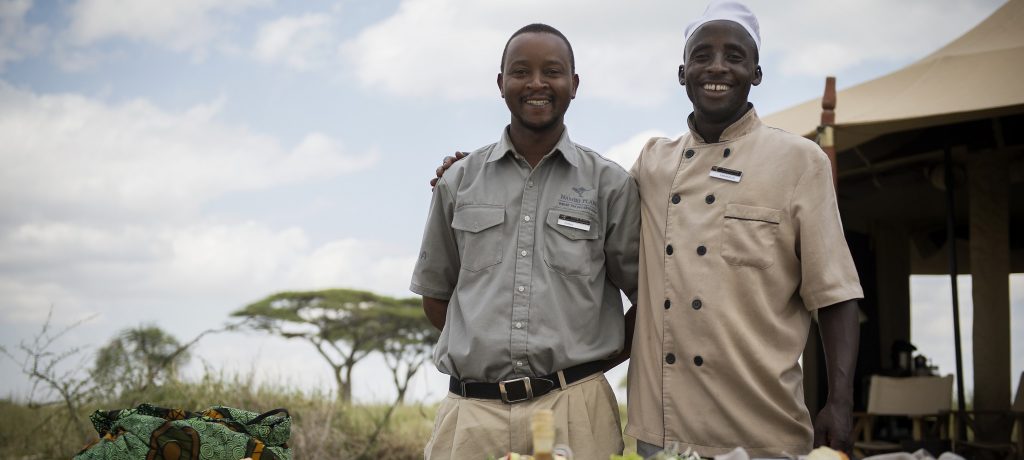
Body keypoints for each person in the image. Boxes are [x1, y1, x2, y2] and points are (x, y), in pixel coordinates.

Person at [430, 2, 862, 458]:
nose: (717, 67)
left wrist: (840, 401)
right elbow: (557, 191)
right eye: (702, 56)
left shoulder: (798, 161)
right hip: (663, 429)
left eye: (735, 56)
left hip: (763, 423)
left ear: (756, 72)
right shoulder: (653, 164)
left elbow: (836, 294)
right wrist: (468, 171)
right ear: (682, 73)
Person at [410, 23, 640, 460]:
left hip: (575, 411)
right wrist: (486, 346)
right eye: (521, 71)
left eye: (552, 71)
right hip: (473, 415)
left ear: (574, 84)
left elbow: (647, 301)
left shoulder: (610, 185)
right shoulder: (459, 180)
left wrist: (585, 370)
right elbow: (436, 296)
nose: (536, 83)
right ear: (501, 85)